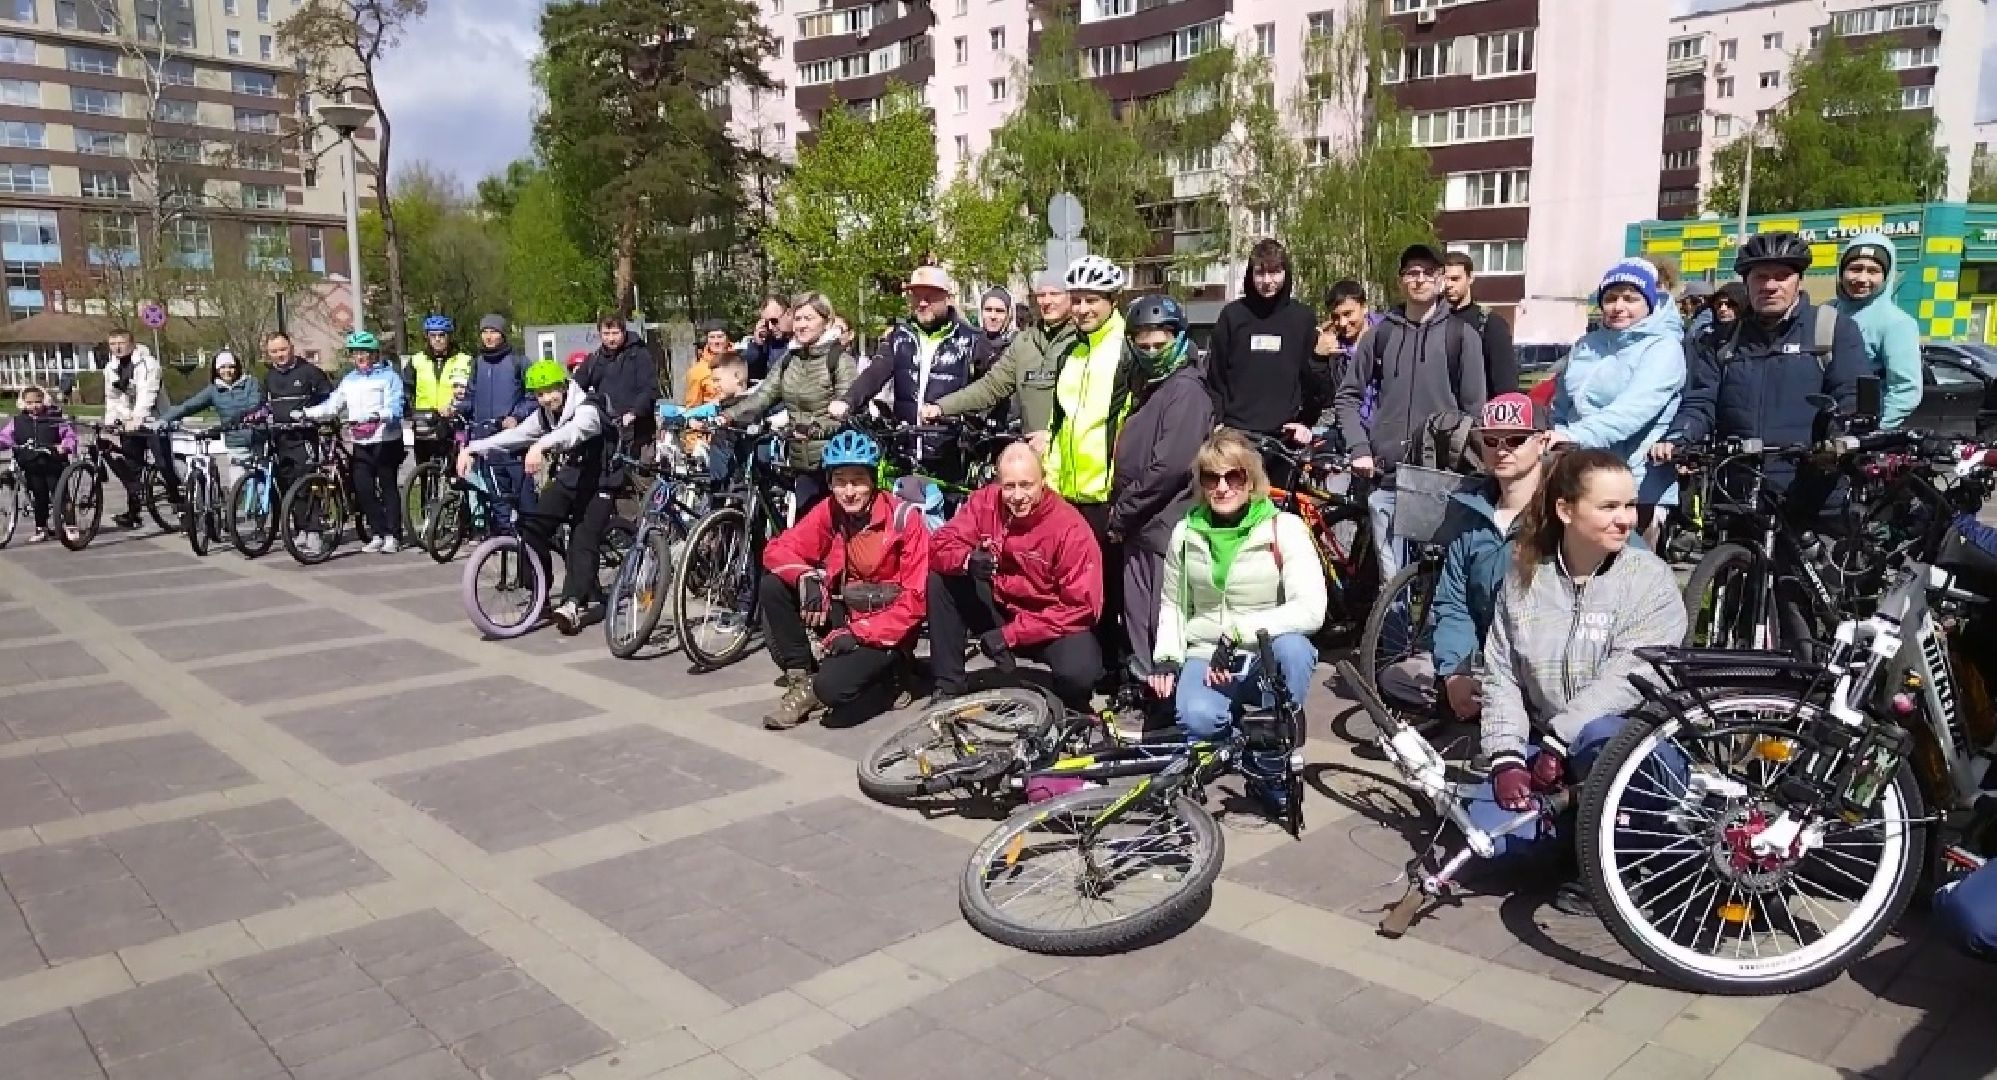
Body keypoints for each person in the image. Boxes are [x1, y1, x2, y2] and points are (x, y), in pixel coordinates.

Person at [1468, 450, 1688, 909]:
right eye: (1609, 507)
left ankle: (1626, 858)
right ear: (1565, 510)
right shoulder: (1526, 576)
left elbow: (1634, 675)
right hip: (1549, 752)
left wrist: (1559, 740)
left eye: (1629, 505)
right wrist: (1506, 758)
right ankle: (1577, 836)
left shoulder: (1649, 578)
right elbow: (1502, 674)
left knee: (1602, 735)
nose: (1626, 519)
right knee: (1489, 834)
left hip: (1630, 747)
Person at [1149, 430, 1326, 812]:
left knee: (1295, 651)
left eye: (1234, 477)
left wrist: (1240, 632)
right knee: (1198, 719)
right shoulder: (1185, 533)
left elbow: (1312, 608)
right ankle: (1240, 745)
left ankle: (1268, 766)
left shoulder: (1285, 529)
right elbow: (1174, 605)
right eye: (1212, 478)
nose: (1223, 487)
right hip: (1207, 653)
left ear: (1252, 480)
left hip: (1263, 652)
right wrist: (1166, 657)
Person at [1651, 232, 1868, 521]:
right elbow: (1700, 401)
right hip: (1739, 488)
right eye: (1760, 277)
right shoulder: (1722, 340)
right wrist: (1680, 437)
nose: (1770, 286)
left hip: (1813, 489)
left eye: (1782, 276)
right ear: (1746, 282)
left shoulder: (1831, 329)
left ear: (1799, 281)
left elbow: (1849, 395)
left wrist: (1838, 438)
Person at [1378, 394, 1550, 720]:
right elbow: (1454, 604)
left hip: (1546, 662)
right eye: (1490, 439)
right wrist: (1456, 670)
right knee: (1398, 678)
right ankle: (1476, 706)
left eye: (1516, 439)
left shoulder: (1565, 511)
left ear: (1540, 443)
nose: (1502, 449)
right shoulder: (1469, 513)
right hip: (1484, 656)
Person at [1336, 243, 1489, 585]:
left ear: (1439, 279)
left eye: (1427, 272)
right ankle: (1392, 638)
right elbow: (1347, 397)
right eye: (1411, 273)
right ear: (1401, 281)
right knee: (1392, 588)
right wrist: (1360, 449)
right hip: (1387, 476)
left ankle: (1438, 639)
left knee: (1441, 584)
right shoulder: (1380, 335)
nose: (1419, 280)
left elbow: (1475, 413)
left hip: (1440, 482)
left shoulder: (1461, 336)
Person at [757, 430, 930, 729]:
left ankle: (894, 681)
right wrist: (805, 576)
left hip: (887, 630)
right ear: (830, 483)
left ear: (873, 482)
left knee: (834, 691)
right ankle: (802, 679)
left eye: (858, 481)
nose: (849, 492)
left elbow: (917, 599)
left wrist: (861, 632)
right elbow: (778, 549)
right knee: (773, 585)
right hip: (846, 615)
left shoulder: (904, 519)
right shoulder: (830, 511)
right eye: (840, 482)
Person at [928, 443, 1104, 712]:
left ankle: (1069, 706)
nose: (1017, 496)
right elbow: (939, 544)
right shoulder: (985, 502)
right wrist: (967, 560)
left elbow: (1082, 607)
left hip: (1048, 621)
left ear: (1043, 481)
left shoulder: (1070, 528)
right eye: (1009, 486)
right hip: (1001, 604)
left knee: (1081, 671)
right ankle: (948, 686)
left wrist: (1010, 635)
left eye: (1027, 485)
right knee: (941, 579)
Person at [458, 359, 621, 633]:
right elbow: (517, 434)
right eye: (539, 394)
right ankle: (540, 593)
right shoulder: (545, 414)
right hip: (572, 478)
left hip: (602, 481)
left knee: (582, 539)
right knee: (531, 528)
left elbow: (574, 433)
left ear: (564, 386)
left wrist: (541, 446)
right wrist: (474, 448)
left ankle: (572, 605)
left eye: (550, 391)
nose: (546, 399)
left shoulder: (587, 409)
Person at [1108, 295, 1214, 686]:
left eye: (1160, 345)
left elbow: (1168, 467)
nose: (1152, 353)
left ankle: (1165, 701)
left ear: (1179, 340)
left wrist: (1124, 511)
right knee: (1138, 619)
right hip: (1142, 524)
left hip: (1162, 524)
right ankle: (1147, 689)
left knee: (1159, 620)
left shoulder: (1185, 391)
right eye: (1144, 345)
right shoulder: (1149, 386)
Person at [1550, 259, 1686, 544]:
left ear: (1650, 301)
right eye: (1610, 298)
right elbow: (1562, 404)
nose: (1618, 306)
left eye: (1631, 298)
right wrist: (1558, 437)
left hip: (1636, 481)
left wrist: (1572, 436)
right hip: (1582, 474)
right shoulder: (1587, 344)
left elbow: (1632, 411)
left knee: (1629, 577)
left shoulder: (1663, 348)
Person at [722, 292, 857, 514]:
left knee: (830, 536)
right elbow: (763, 395)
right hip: (800, 461)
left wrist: (815, 429)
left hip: (834, 464)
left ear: (826, 322)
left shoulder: (839, 360)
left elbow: (847, 411)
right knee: (804, 532)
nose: (801, 325)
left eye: (809, 318)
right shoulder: (789, 359)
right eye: (797, 318)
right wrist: (728, 415)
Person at [831, 266, 980, 453]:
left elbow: (988, 389)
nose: (922, 303)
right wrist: (848, 401)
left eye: (930, 296)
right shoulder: (899, 336)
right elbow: (875, 373)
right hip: (905, 448)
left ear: (947, 298)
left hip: (950, 451)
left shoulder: (972, 340)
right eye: (916, 296)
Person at [926, 269, 1075, 450]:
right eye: (1041, 295)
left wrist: (1056, 436)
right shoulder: (1025, 343)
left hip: (1075, 453)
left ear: (1070, 297)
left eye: (1055, 294)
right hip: (1034, 457)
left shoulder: (1082, 342)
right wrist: (941, 407)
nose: (1047, 301)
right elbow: (991, 386)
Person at [1205, 238, 1321, 446]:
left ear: (1286, 273)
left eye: (1275, 272)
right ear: (1251, 275)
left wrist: (1306, 422)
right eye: (1260, 273)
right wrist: (1219, 421)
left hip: (1285, 439)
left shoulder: (1303, 318)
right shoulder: (1232, 316)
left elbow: (1312, 380)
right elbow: (1216, 377)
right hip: (1236, 436)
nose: (1267, 281)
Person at [302, 332, 407, 553]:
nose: (359, 357)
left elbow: (396, 405)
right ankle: (377, 532)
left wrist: (381, 414)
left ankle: (393, 534)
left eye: (364, 353)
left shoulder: (389, 377)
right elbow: (333, 405)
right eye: (355, 353)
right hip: (361, 440)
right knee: (363, 488)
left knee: (387, 486)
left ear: (374, 354)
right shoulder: (350, 380)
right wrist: (305, 413)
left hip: (385, 439)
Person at [1829, 231, 1923, 430]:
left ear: (1886, 276)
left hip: (1858, 439)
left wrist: (1872, 431)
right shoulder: (1826, 313)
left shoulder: (1897, 323)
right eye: (1855, 269)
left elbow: (1905, 390)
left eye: (1873, 271)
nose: (1862, 278)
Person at [457, 313, 539, 514]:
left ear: (502, 335)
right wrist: (457, 407)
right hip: (486, 441)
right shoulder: (478, 363)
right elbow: (471, 395)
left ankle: (532, 540)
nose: (488, 336)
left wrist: (516, 417)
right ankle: (504, 541)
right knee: (497, 501)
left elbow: (534, 396)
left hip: (513, 444)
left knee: (524, 500)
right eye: (485, 332)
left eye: (493, 332)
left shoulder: (519, 361)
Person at [261, 331, 332, 549]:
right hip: (280, 438)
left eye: (282, 349)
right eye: (274, 351)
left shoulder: (310, 372)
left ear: (291, 348)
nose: (279, 355)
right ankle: (301, 527)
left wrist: (311, 415)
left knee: (307, 483)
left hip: (305, 437)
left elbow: (329, 398)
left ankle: (315, 531)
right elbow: (264, 405)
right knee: (288, 485)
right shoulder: (269, 376)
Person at [100, 327, 170, 528]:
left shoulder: (148, 364)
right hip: (129, 424)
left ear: (131, 343)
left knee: (164, 464)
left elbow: (147, 393)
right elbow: (112, 397)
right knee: (132, 469)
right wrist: (111, 420)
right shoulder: (111, 368)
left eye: (121, 343)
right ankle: (133, 513)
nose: (117, 347)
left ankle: (179, 505)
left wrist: (138, 418)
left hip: (154, 421)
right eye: (112, 344)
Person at [159, 351, 265, 472]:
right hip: (235, 445)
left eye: (231, 366)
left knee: (261, 487)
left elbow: (255, 405)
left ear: (237, 368)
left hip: (257, 441)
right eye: (223, 367)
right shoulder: (214, 390)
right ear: (216, 370)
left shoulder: (251, 383)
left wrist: (241, 418)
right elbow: (188, 407)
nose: (227, 371)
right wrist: (163, 420)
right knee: (238, 485)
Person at [0, 385, 76, 542]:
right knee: (39, 496)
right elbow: (6, 437)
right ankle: (41, 528)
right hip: (31, 464)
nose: (33, 406)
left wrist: (66, 446)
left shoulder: (54, 419)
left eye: (37, 402)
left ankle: (70, 526)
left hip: (53, 463)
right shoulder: (17, 421)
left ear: (45, 401)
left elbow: (69, 435)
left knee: (60, 495)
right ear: (22, 403)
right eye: (29, 403)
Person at [574, 314, 660, 451]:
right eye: (606, 334)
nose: (611, 339)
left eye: (615, 333)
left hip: (638, 430)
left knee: (638, 471)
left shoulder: (639, 355)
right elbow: (576, 387)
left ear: (624, 332)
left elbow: (649, 389)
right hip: (606, 431)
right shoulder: (594, 360)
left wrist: (634, 412)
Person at [1442, 251, 1519, 396]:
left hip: (1478, 412)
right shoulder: (1434, 322)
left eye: (1455, 279)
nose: (1448, 285)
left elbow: (1506, 385)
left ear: (1470, 278)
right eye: (1444, 279)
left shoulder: (1490, 324)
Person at [404, 315, 474, 468]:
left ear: (449, 337)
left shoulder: (464, 360)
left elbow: (472, 389)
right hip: (424, 422)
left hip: (452, 420)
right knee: (424, 471)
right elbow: (406, 387)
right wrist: (407, 408)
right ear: (427, 337)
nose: (437, 339)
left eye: (442, 335)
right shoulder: (416, 360)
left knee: (454, 470)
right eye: (433, 335)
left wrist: (459, 408)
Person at [740, 295, 792, 383]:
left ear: (789, 314)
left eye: (774, 321)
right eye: (767, 323)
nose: (771, 327)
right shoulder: (767, 343)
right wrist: (757, 345)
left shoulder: (802, 341)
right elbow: (749, 373)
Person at [683, 319, 732, 408]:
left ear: (728, 338)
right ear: (707, 340)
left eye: (720, 336)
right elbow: (692, 407)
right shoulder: (697, 371)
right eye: (712, 337)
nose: (716, 341)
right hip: (713, 417)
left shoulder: (740, 360)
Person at [972, 287, 1016, 375]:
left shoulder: (1017, 345)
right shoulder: (971, 343)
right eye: (988, 310)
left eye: (1000, 311)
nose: (993, 316)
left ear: (1009, 315)